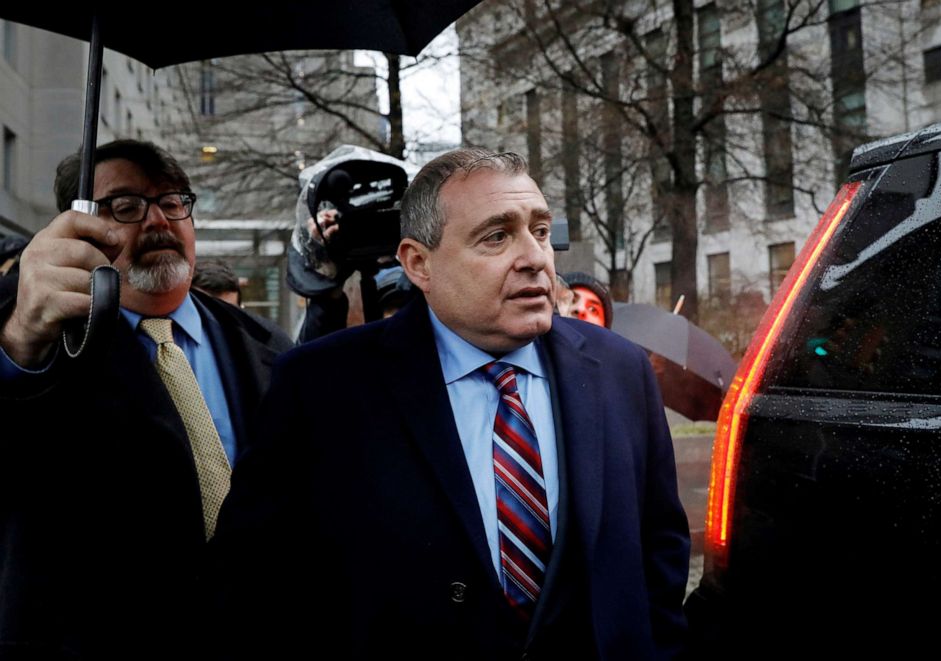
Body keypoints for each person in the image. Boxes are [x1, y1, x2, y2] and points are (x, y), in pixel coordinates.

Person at [212, 148, 690, 659]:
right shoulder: (321, 387)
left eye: (541, 231)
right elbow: (253, 579)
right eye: (497, 236)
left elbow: (659, 546)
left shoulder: (619, 368)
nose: (535, 258)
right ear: (419, 263)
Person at [0, 139, 293, 659]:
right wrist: (23, 337)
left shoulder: (267, 346)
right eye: (127, 206)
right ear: (77, 228)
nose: (158, 221)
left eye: (173, 201)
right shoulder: (37, 335)